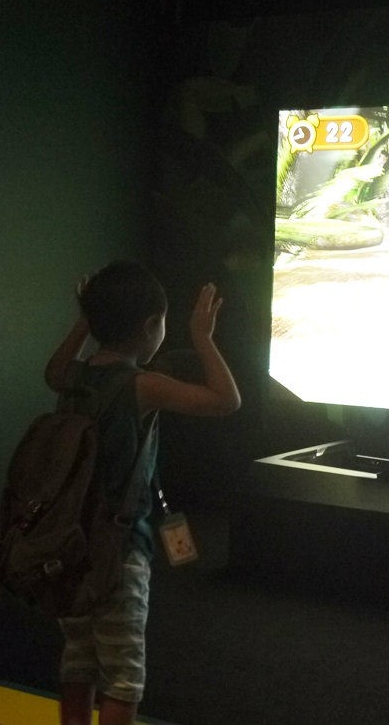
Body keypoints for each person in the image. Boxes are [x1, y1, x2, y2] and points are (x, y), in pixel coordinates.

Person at [43, 260, 240, 725]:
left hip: (67, 543)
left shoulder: (72, 376)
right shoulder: (142, 385)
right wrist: (203, 337)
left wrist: (85, 320)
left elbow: (51, 371)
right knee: (123, 675)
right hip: (118, 549)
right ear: (152, 325)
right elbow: (226, 400)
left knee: (79, 657)